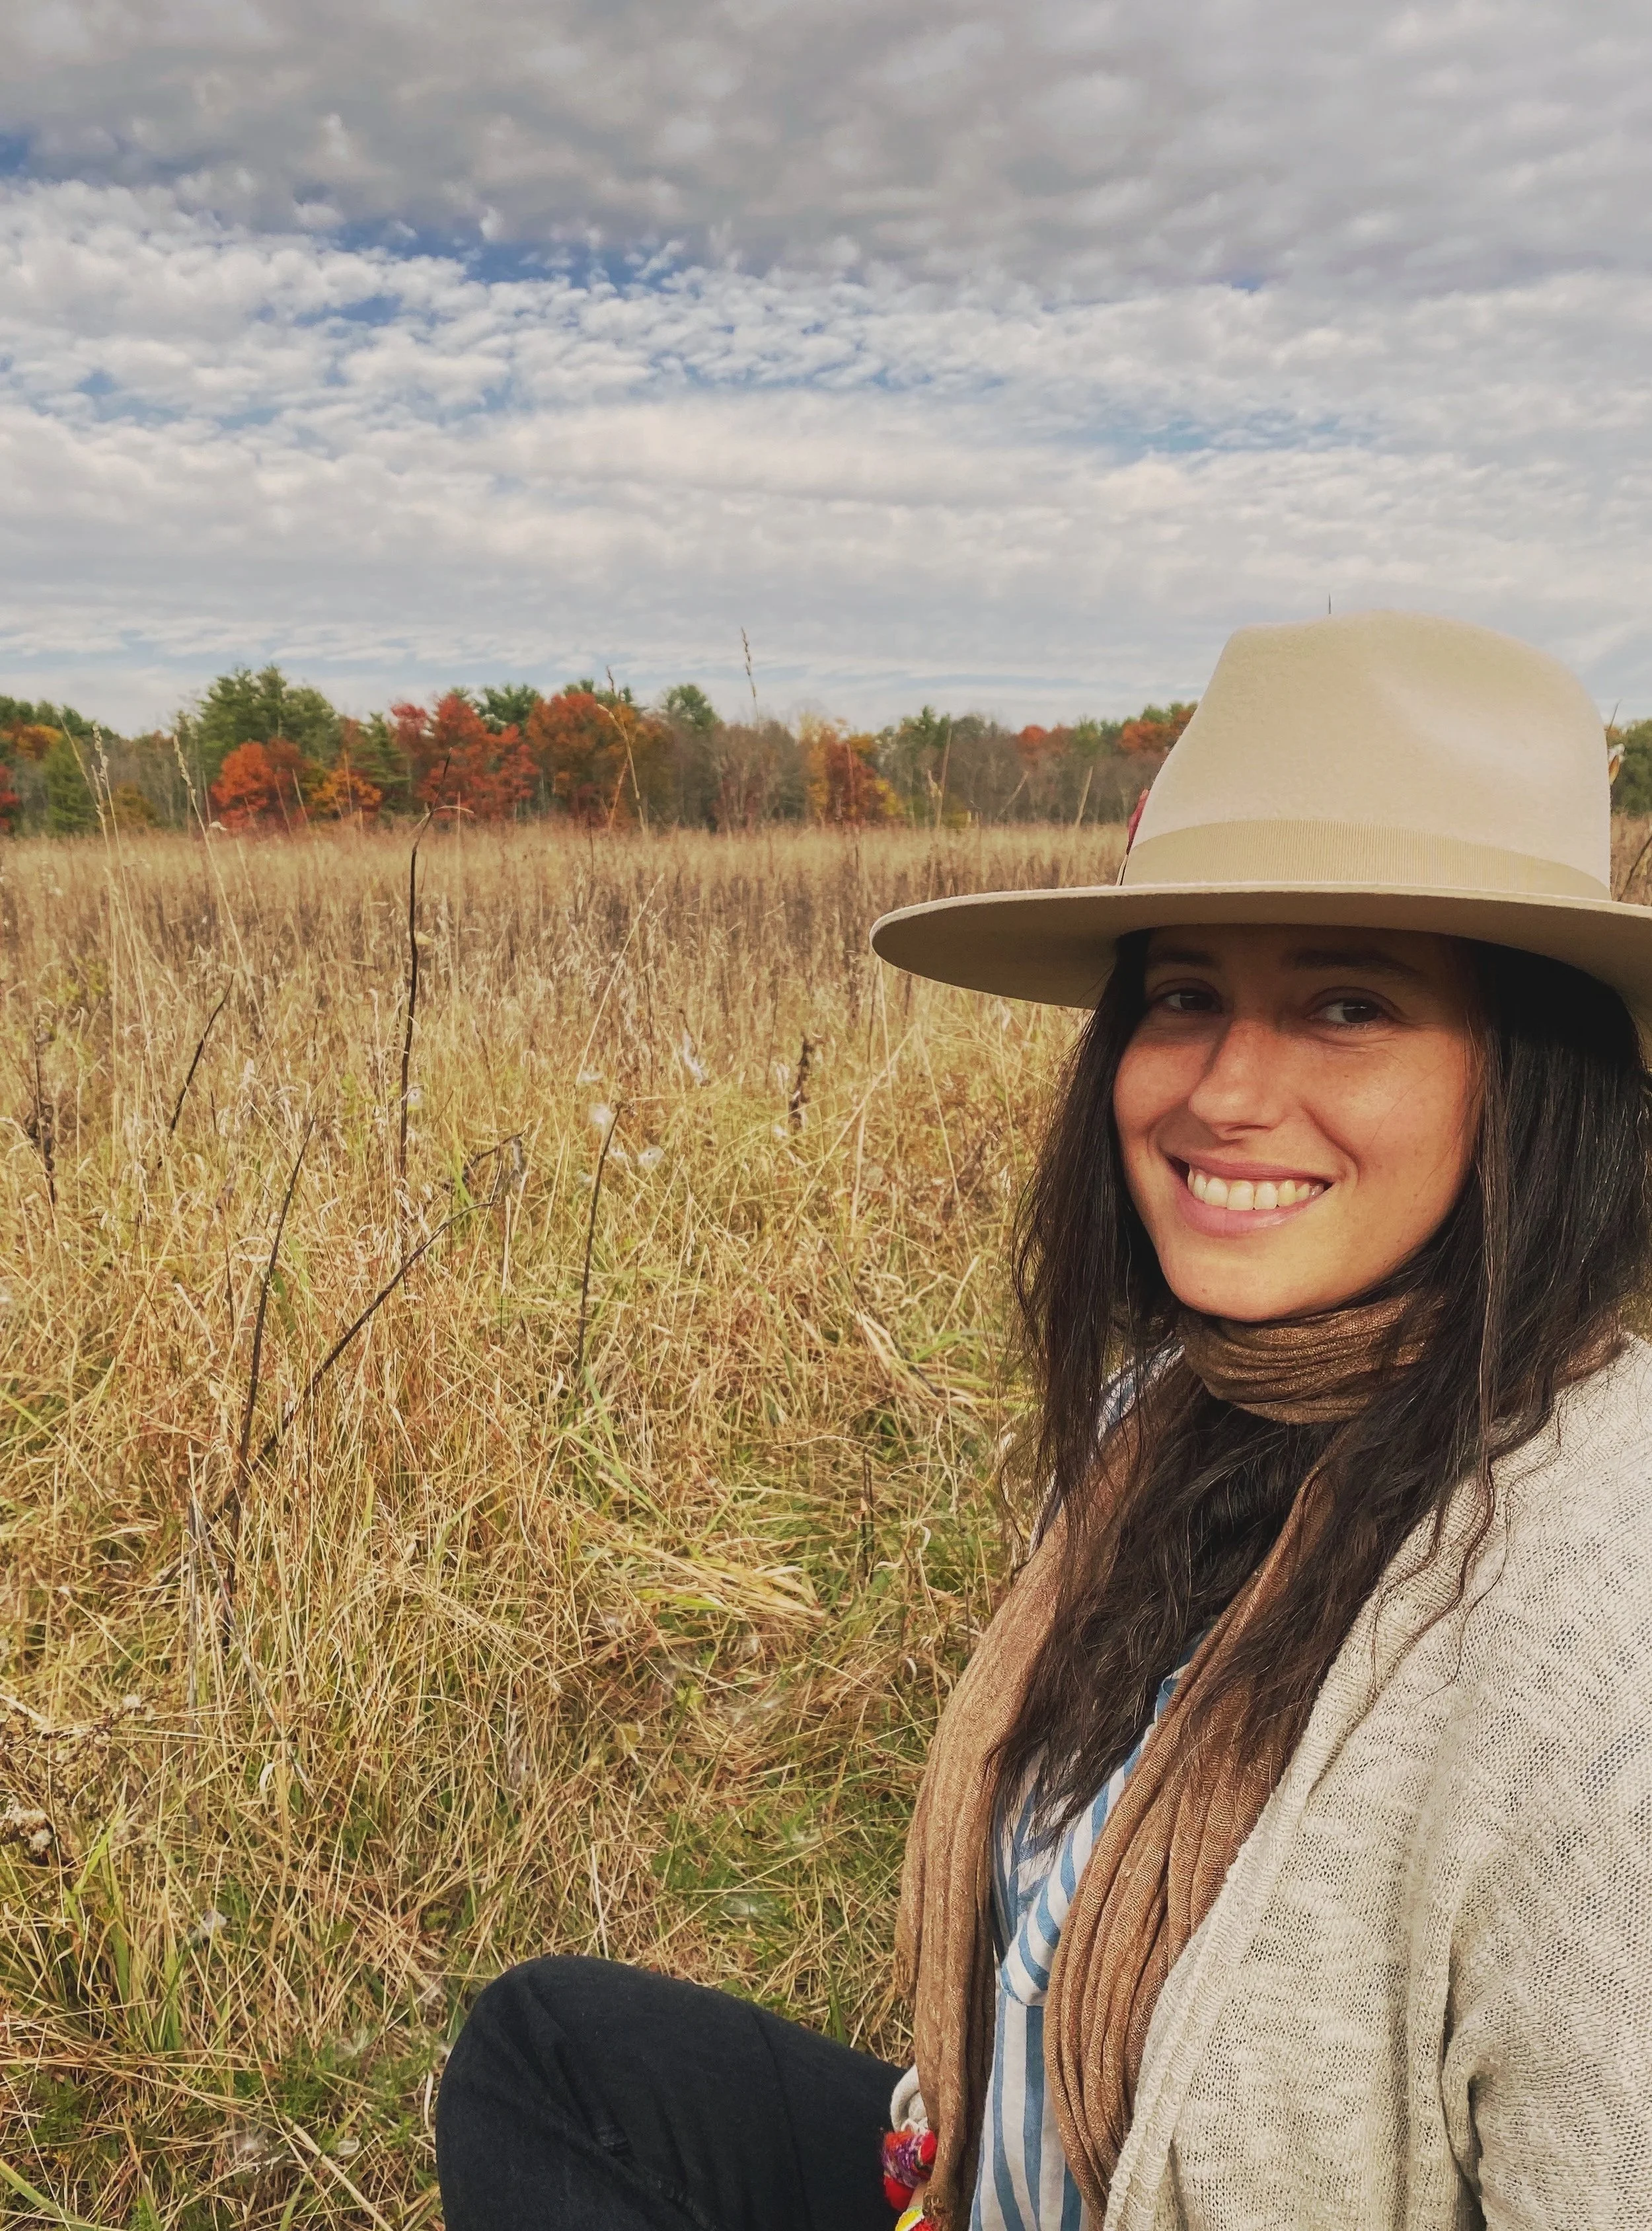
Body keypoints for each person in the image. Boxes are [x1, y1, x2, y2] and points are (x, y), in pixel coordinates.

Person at [436, 611, 1652, 2231]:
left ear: (1530, 1069)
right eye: (1183, 994)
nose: (1222, 1089)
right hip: (1002, 2183)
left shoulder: (1593, 1643)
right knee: (554, 2051)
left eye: (1347, 1003)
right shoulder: (1173, 1419)